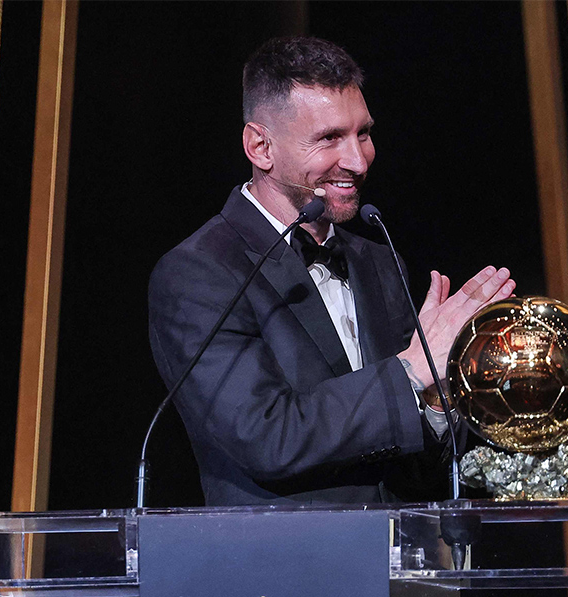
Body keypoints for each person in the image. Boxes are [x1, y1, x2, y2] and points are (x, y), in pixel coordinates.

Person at [147, 36, 515, 506]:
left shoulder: (382, 264)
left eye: (362, 133)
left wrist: (440, 400)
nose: (358, 161)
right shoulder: (199, 272)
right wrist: (411, 373)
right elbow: (267, 436)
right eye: (329, 139)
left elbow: (415, 469)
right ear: (260, 147)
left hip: (405, 569)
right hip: (282, 572)